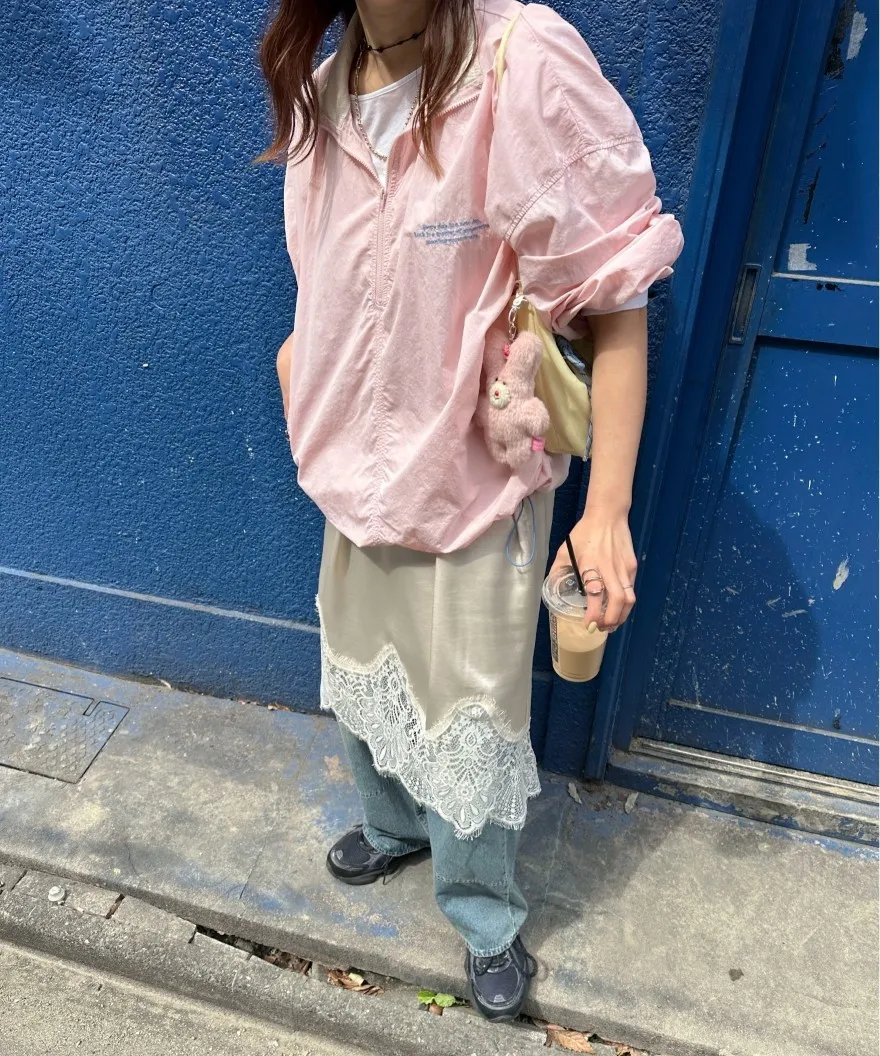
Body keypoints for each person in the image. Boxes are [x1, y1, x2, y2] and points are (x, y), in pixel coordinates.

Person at [262, 0, 683, 1022]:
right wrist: (299, 370)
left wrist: (607, 508)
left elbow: (613, 297)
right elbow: (331, 279)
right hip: (350, 469)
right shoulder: (324, 88)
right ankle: (394, 825)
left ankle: (483, 911)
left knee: (473, 711)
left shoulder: (518, 61)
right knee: (361, 668)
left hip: (475, 484)